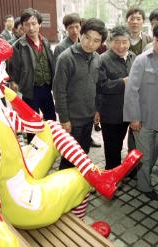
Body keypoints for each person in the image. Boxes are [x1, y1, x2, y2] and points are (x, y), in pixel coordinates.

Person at [0, 35, 142, 247]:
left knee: (50, 127)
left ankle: (98, 176)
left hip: (18, 174)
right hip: (18, 202)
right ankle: (80, 225)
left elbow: (35, 124)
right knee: (79, 179)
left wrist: (10, 95)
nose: (6, 74)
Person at [124, 20, 158, 200]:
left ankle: (144, 176)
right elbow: (131, 91)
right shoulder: (142, 60)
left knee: (154, 152)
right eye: (157, 40)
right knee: (145, 156)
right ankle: (144, 186)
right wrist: (134, 118)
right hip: (144, 118)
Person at [53, 18, 108, 170]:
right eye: (87, 38)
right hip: (72, 119)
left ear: (101, 43)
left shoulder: (97, 58)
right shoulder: (66, 58)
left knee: (84, 152)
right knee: (70, 157)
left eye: (96, 41)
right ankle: (64, 189)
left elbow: (97, 87)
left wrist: (97, 109)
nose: (90, 44)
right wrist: (64, 119)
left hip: (89, 117)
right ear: (81, 34)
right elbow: (59, 91)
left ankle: (78, 182)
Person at [8, 8, 57, 143]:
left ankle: (52, 144)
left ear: (39, 24)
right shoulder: (18, 45)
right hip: (30, 90)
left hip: (46, 88)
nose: (31, 28)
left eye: (34, 23)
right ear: (22, 26)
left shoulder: (45, 41)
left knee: (51, 119)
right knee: (32, 124)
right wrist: (14, 81)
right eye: (27, 24)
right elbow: (11, 67)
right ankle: (33, 149)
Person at [98, 25, 136, 171]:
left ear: (129, 41)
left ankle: (125, 171)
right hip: (111, 114)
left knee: (129, 145)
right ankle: (111, 175)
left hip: (131, 111)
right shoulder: (102, 59)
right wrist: (123, 82)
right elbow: (101, 86)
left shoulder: (133, 57)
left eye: (124, 42)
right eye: (117, 42)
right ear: (110, 42)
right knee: (112, 148)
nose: (121, 46)